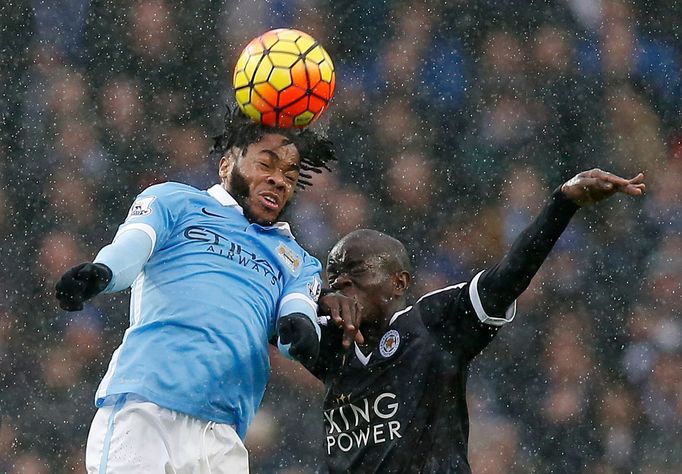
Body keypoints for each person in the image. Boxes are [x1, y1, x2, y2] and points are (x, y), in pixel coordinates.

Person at [54, 108, 357, 473]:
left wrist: (301, 332)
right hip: (146, 410)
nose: (278, 180)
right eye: (267, 164)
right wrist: (102, 272)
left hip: (222, 436)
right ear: (227, 164)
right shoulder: (175, 202)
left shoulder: (297, 259)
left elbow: (297, 314)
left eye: (289, 176)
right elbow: (135, 243)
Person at [312, 169, 646, 474]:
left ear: (399, 282)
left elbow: (508, 278)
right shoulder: (328, 344)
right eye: (334, 277)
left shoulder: (430, 321)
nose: (342, 283)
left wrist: (562, 204)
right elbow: (269, 307)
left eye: (356, 272)